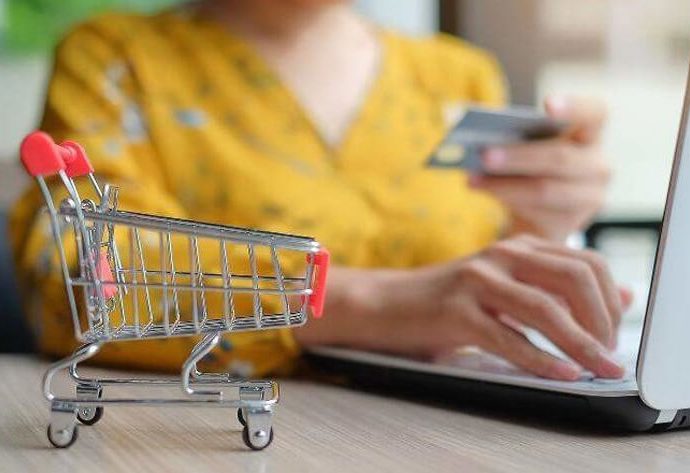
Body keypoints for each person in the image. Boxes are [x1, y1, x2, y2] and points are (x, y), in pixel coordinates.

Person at [10, 0, 631, 381]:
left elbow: (476, 291)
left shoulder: (460, 74)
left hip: (456, 434)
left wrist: (545, 227)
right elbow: (80, 282)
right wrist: (382, 304)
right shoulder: (116, 59)